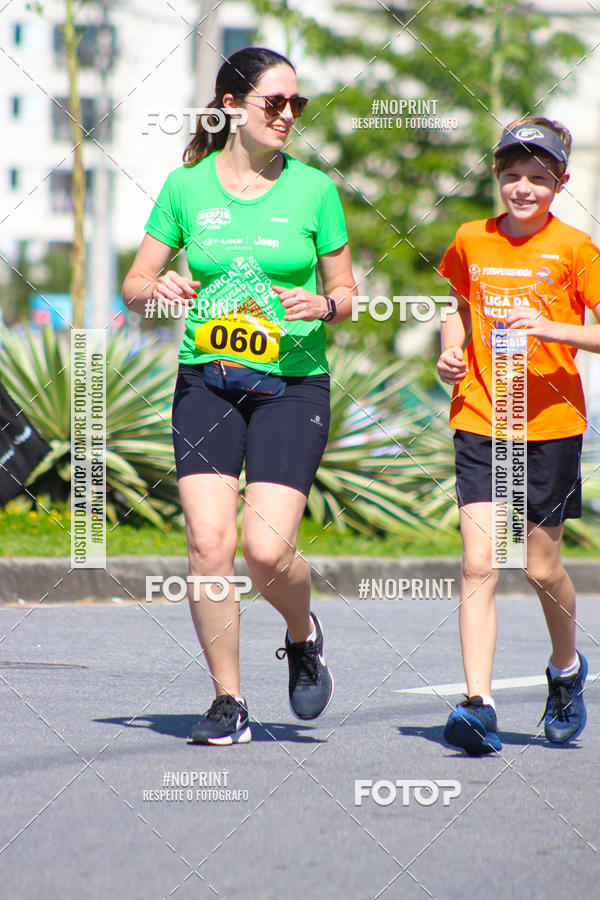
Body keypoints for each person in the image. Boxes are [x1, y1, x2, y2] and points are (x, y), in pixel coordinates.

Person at [122, 47, 355, 745]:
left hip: (291, 385)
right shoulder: (186, 187)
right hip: (208, 381)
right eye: (274, 103)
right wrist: (156, 290)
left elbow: (347, 295)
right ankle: (229, 700)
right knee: (207, 542)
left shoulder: (315, 190)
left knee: (265, 551)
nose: (288, 115)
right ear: (230, 106)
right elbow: (134, 286)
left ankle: (302, 631)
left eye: (297, 105)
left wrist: (324, 304)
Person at [436, 116, 600, 755]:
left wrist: (551, 329)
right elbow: (456, 308)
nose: (522, 188)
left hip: (551, 424)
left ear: (559, 181)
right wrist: (450, 354)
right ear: (497, 177)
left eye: (537, 177)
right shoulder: (470, 239)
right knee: (479, 562)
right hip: (482, 415)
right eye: (511, 175)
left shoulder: (578, 249)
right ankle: (479, 705)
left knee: (539, 568)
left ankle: (565, 670)